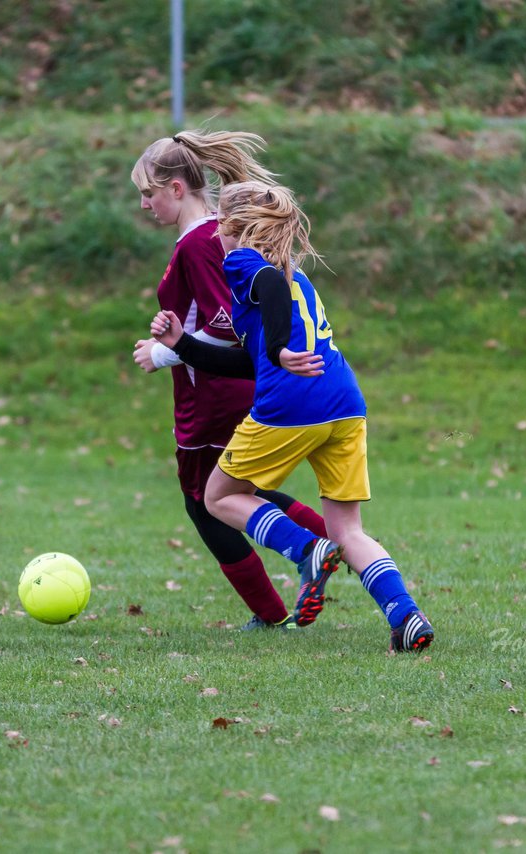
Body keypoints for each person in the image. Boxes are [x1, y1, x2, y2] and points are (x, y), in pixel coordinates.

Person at [150, 181, 433, 652]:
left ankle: (305, 548)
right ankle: (406, 617)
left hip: (292, 405)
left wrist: (280, 349)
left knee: (217, 496)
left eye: (219, 225)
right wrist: (182, 344)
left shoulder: (245, 262)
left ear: (235, 228)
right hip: (344, 404)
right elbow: (247, 360)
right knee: (349, 531)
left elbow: (267, 300)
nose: (214, 234)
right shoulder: (295, 274)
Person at [129, 131, 328, 631]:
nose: (144, 203)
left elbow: (232, 328)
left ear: (177, 188)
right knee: (237, 493)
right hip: (219, 392)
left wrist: (165, 352)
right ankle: (336, 546)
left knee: (205, 503)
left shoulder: (200, 244)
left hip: (213, 396)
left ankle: (280, 598)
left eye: (148, 192)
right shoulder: (208, 236)